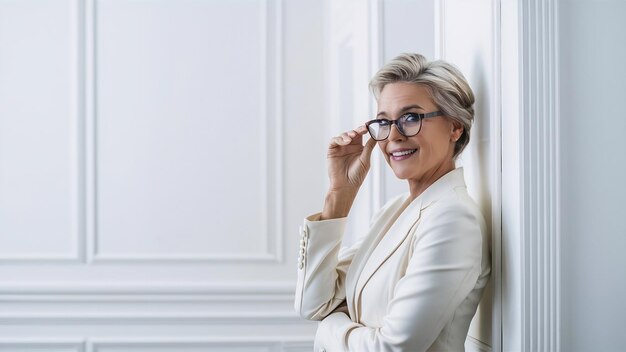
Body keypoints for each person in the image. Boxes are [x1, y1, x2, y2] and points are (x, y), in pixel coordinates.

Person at [294, 53, 491, 351]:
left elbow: (393, 347)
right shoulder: (393, 212)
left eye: (411, 118)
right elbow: (314, 304)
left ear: (454, 127)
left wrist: (328, 329)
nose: (394, 135)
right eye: (384, 121)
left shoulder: (453, 218)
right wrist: (339, 195)